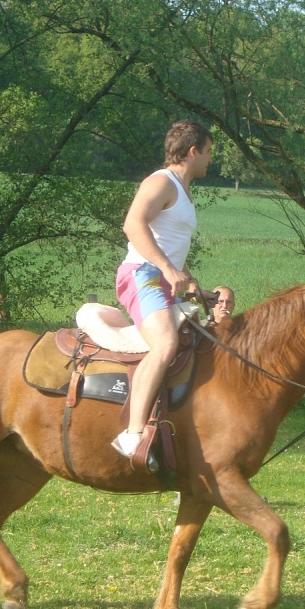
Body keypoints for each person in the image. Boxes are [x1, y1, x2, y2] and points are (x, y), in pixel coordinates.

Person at [111, 120, 214, 460]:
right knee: (166, 342)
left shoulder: (181, 191)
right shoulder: (161, 181)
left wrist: (193, 283)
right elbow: (132, 224)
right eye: (209, 152)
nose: (210, 160)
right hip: (143, 274)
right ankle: (132, 435)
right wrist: (168, 269)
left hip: (160, 275)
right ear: (193, 151)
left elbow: (169, 247)